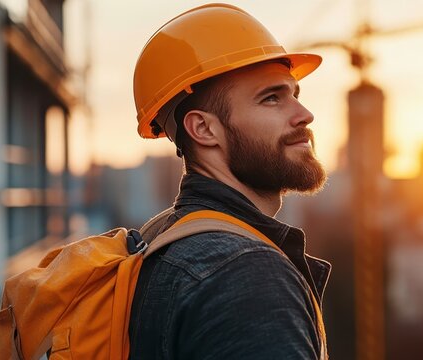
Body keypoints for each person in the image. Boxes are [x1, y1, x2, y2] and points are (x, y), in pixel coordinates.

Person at [128, 3, 331, 359]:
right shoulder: (248, 276)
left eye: (294, 95)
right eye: (271, 99)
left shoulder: (158, 237)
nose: (304, 115)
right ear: (204, 129)